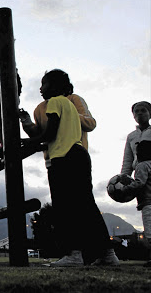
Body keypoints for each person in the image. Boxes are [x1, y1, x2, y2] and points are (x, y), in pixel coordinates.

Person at [20, 69, 118, 267]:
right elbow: (45, 132)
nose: (40, 88)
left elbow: (50, 133)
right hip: (77, 153)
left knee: (64, 208)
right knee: (86, 206)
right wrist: (28, 126)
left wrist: (27, 143)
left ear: (56, 86)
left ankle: (73, 253)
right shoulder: (66, 106)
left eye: (44, 84)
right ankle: (107, 254)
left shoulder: (59, 101)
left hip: (63, 157)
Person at [19, 79, 96, 168]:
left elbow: (91, 123)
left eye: (44, 84)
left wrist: (67, 113)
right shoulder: (39, 109)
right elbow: (41, 135)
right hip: (53, 159)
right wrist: (26, 121)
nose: (40, 89)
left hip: (74, 156)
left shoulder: (73, 99)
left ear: (54, 86)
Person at [119, 140, 151, 267]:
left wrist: (125, 189)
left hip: (148, 203)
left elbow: (139, 183)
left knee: (149, 232)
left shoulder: (142, 166)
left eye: (137, 153)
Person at [121, 101, 151, 176]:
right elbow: (127, 161)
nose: (139, 113)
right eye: (136, 111)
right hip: (139, 176)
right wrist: (123, 178)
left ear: (149, 114)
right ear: (133, 116)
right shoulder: (131, 136)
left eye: (143, 110)